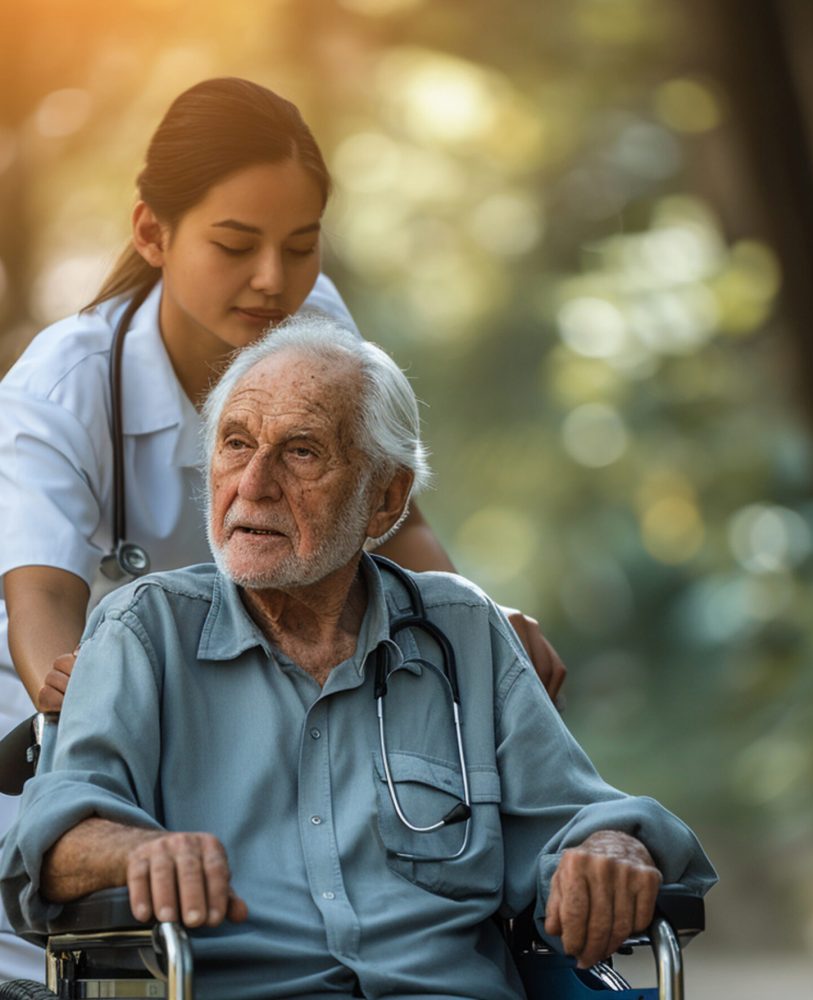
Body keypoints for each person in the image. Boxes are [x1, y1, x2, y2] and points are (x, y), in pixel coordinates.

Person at [0, 78, 565, 979]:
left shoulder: (312, 318)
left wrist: (476, 631)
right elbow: (40, 604)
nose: (274, 279)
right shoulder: (61, 387)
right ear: (152, 233)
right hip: (99, 704)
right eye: (235, 245)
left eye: (301, 247)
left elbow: (394, 516)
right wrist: (91, 693)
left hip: (274, 682)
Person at [0, 317, 715, 999]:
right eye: (235, 443)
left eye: (301, 451)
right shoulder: (142, 629)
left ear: (385, 498)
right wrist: (134, 852)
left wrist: (616, 848)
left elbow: (574, 819)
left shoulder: (460, 628)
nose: (252, 485)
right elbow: (51, 838)